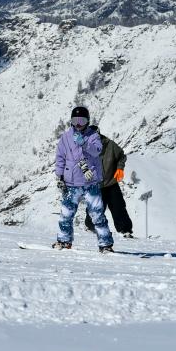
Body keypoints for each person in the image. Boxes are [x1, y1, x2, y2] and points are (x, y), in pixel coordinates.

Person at [54, 106, 113, 253]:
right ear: (71, 121)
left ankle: (105, 244)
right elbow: (60, 157)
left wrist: (84, 143)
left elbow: (97, 151)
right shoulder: (66, 137)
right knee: (66, 214)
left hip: (90, 182)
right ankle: (64, 241)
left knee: (97, 214)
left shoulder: (93, 136)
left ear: (87, 121)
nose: (78, 124)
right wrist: (60, 175)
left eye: (82, 120)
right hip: (71, 183)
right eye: (75, 120)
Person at [84, 133, 134, 238]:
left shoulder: (110, 145)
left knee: (118, 206)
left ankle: (125, 230)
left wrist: (120, 168)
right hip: (96, 184)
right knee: (94, 208)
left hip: (111, 182)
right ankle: (90, 227)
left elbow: (121, 156)